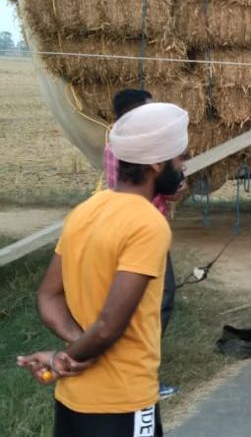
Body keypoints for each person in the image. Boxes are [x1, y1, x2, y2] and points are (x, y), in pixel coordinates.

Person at [17, 102, 190, 437]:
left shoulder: (85, 211)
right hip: (124, 401)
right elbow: (109, 326)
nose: (183, 166)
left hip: (73, 399)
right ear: (156, 162)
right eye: (180, 157)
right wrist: (62, 359)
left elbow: (48, 296)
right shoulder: (148, 224)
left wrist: (74, 344)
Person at [104, 88, 186, 399]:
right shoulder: (124, 150)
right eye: (149, 112)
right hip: (143, 235)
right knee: (154, 304)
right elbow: (132, 188)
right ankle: (142, 376)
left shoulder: (84, 216)